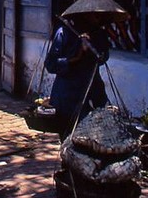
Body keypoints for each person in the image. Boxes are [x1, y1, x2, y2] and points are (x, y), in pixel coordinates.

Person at [45, 12, 111, 140]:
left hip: (93, 90)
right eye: (95, 15)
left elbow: (103, 59)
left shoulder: (99, 34)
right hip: (68, 95)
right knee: (69, 138)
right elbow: (50, 64)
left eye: (101, 16)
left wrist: (98, 50)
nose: (99, 18)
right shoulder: (64, 33)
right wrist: (75, 57)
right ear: (86, 14)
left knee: (96, 138)